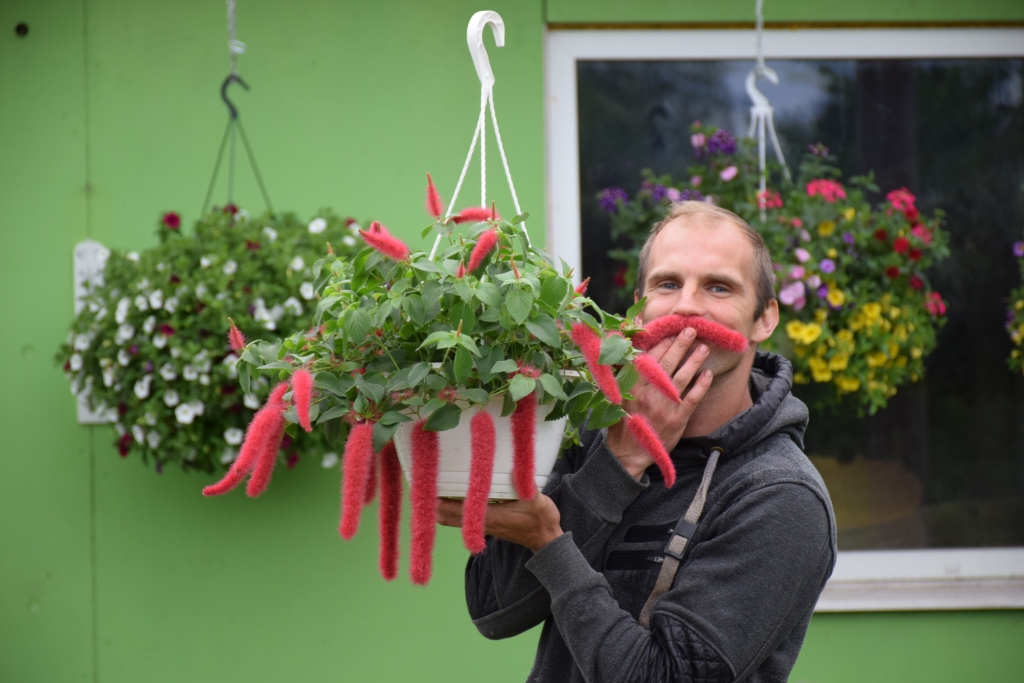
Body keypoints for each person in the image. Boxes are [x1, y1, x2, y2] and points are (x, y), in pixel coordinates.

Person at [437, 201, 837, 683]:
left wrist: (549, 540)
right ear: (640, 306)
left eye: (719, 286)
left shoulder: (780, 495)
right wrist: (619, 463)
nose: (687, 305)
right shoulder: (593, 425)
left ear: (764, 318)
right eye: (667, 284)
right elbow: (492, 611)